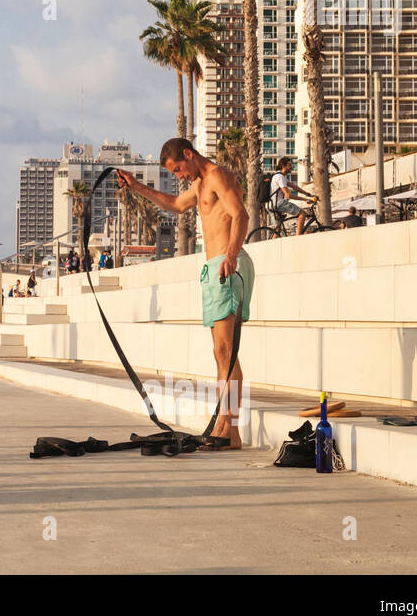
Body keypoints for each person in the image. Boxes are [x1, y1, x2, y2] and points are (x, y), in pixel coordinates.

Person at [115, 137, 252, 449]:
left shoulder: (217, 176)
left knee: (226, 352)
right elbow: (176, 205)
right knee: (220, 353)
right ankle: (229, 431)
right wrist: (137, 187)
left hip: (227, 265)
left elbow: (240, 215)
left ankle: (227, 428)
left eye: (178, 169)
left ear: (189, 155)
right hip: (215, 267)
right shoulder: (203, 184)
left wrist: (231, 255)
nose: (178, 176)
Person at [271, 156, 315, 234]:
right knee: (302, 213)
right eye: (290, 165)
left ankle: (273, 243)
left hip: (272, 204)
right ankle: (298, 238)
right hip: (279, 204)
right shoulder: (280, 177)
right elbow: (288, 195)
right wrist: (305, 199)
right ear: (283, 166)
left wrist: (307, 194)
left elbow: (294, 187)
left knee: (278, 229)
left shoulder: (279, 176)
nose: (292, 167)